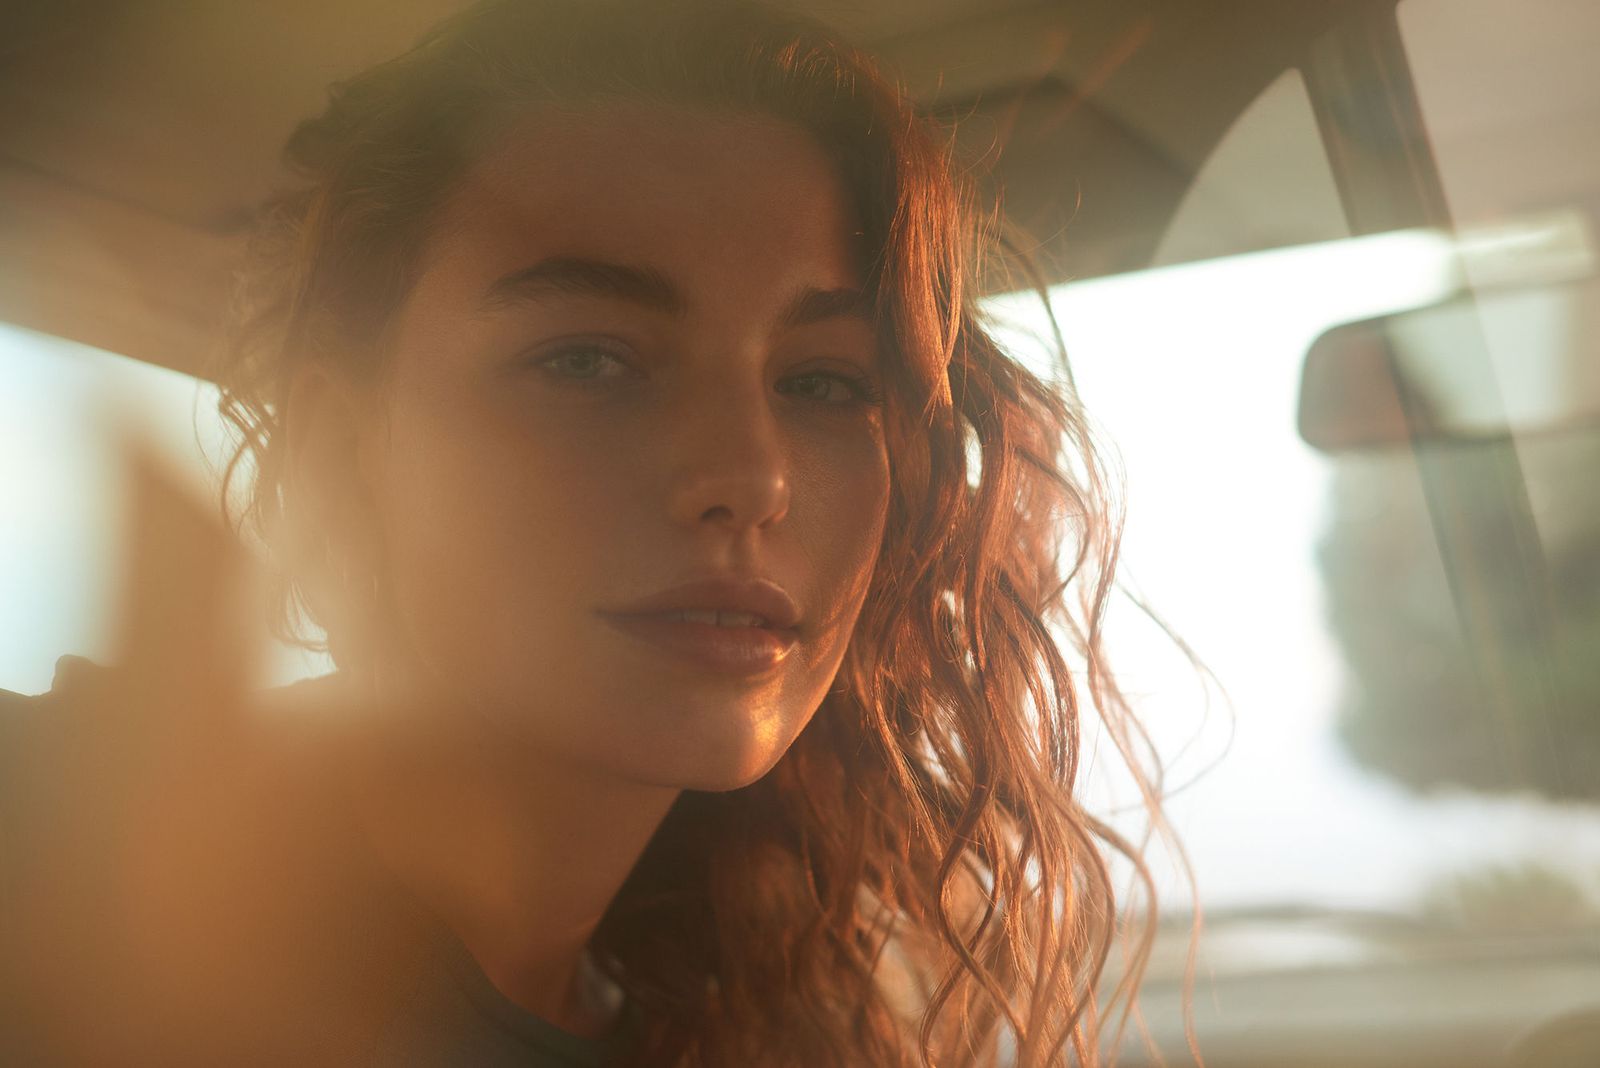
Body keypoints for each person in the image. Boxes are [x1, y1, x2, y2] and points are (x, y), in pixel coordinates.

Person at [1, 1, 1162, 1064]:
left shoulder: (757, 1025)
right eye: (586, 361)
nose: (749, 478)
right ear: (341, 442)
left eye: (824, 383)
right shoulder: (59, 857)